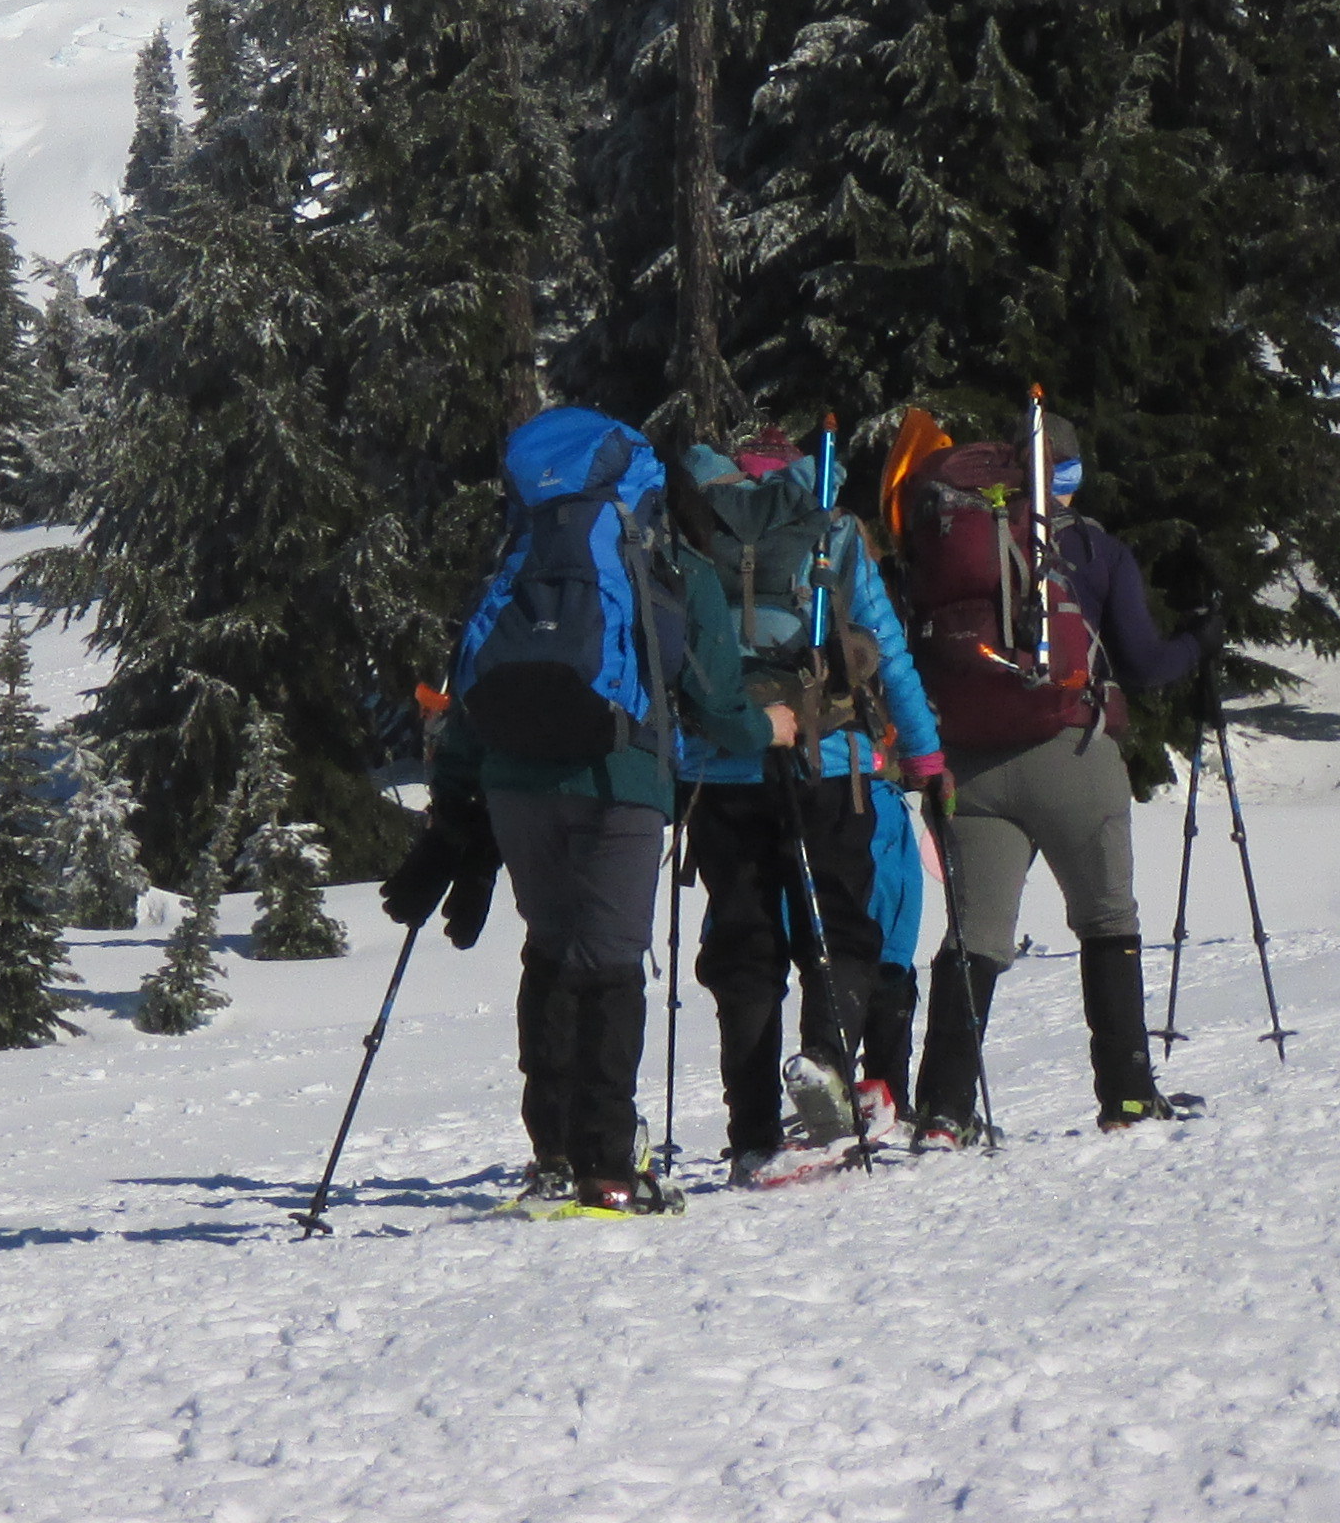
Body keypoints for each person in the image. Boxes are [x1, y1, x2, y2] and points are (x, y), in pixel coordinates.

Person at [386, 403, 775, 1211]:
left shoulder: (515, 562)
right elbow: (714, 702)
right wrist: (770, 728)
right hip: (617, 779)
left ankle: (553, 1154)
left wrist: (456, 808)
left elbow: (468, 688)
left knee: (551, 952)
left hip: (514, 785)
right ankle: (605, 1166)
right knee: (608, 965)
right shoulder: (672, 566)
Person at [905, 435, 1204, 1137]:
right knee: (1106, 918)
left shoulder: (946, 539)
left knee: (974, 935)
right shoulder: (1093, 550)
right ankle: (1128, 1097)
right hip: (1071, 752)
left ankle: (944, 1111)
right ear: (1067, 473)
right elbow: (1147, 662)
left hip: (969, 761)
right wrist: (1202, 639)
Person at [673, 427, 947, 1182]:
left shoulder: (696, 532)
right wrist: (923, 754)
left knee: (744, 949)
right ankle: (825, 1060)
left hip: (722, 771)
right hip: (830, 763)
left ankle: (753, 1131)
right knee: (841, 928)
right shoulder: (831, 530)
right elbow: (886, 652)